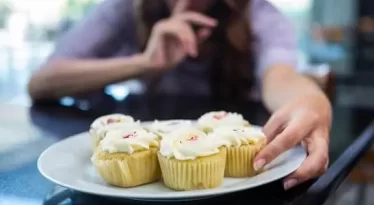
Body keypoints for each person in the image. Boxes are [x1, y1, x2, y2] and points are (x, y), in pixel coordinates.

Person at [28, 0, 331, 190]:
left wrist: (311, 100)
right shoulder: (125, 8)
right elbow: (41, 82)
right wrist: (144, 63)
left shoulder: (261, 15)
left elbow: (280, 77)